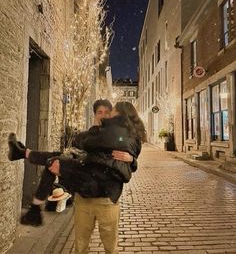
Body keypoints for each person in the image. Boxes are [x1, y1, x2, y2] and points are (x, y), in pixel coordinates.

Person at [8, 100, 146, 253]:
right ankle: (24, 154)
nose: (105, 116)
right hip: (84, 197)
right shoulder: (98, 132)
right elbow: (78, 146)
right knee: (80, 246)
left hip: (106, 200)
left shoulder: (116, 133)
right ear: (94, 115)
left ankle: (33, 202)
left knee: (110, 248)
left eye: (108, 112)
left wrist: (132, 160)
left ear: (119, 115)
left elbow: (89, 146)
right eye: (100, 113)